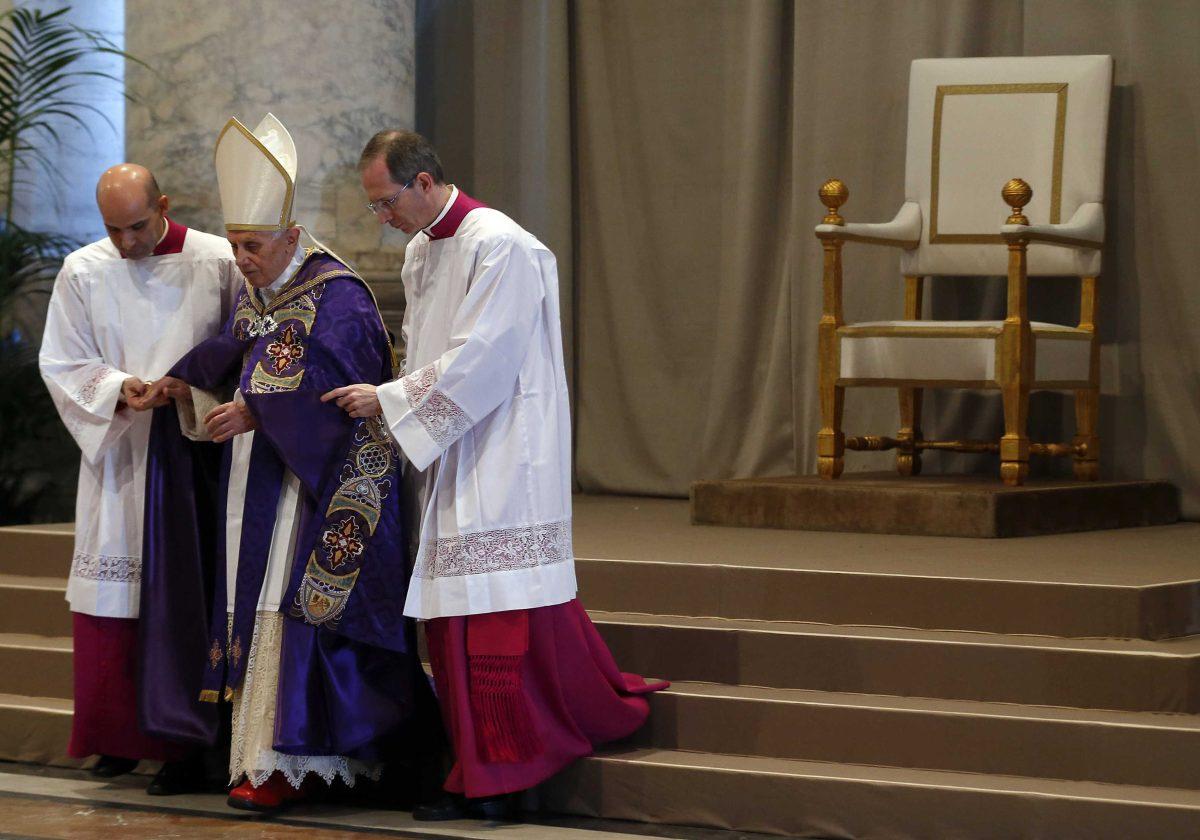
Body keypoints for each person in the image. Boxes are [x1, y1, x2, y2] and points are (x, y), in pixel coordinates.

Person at [325, 130, 667, 821]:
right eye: (374, 208)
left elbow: (483, 359)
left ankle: (514, 775)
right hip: (453, 446)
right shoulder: (425, 250)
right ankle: (475, 768)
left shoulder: (502, 245)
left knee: (495, 626)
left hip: (505, 448)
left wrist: (389, 401)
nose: (382, 219)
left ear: (423, 183)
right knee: (451, 627)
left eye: (384, 202)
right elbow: (427, 347)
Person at [152, 114, 435, 814]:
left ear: (289, 235)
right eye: (236, 245)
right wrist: (182, 381)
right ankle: (256, 753)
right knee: (253, 603)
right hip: (261, 481)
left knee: (292, 605)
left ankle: (297, 762)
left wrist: (261, 411)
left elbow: (344, 385)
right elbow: (235, 349)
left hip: (315, 490)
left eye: (252, 246)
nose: (240, 259)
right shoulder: (262, 291)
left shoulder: (338, 296)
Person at [38, 164, 240, 793]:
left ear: (164, 207)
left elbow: (241, 346)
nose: (126, 244)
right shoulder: (84, 269)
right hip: (121, 452)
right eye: (113, 230)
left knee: (184, 596)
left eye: (137, 227)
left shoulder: (216, 261)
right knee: (113, 600)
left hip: (192, 457)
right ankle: (118, 739)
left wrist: (190, 393)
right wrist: (119, 388)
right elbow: (63, 360)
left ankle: (183, 741)